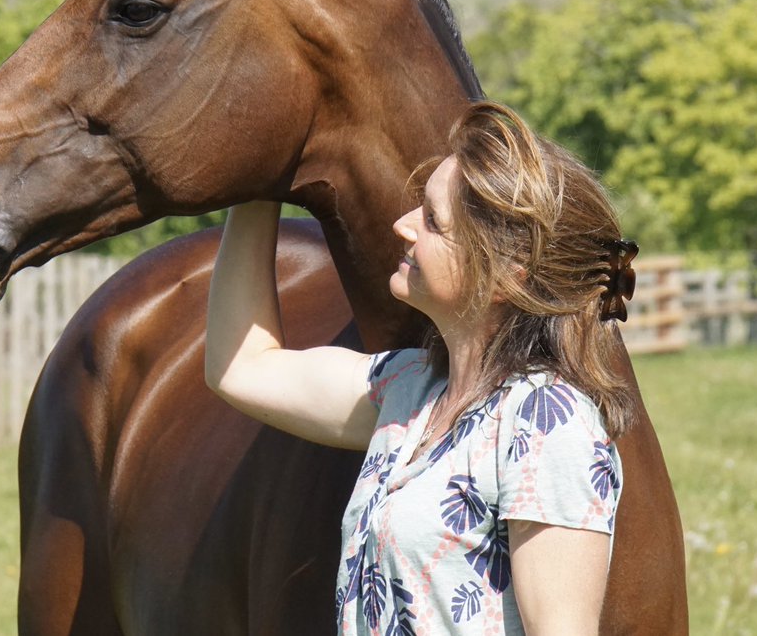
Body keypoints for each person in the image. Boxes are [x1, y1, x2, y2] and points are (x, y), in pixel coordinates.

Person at [205, 100, 640, 635]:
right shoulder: (410, 391)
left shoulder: (548, 422)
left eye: (434, 221)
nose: (403, 226)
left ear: (508, 275)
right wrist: (257, 188)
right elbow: (242, 369)